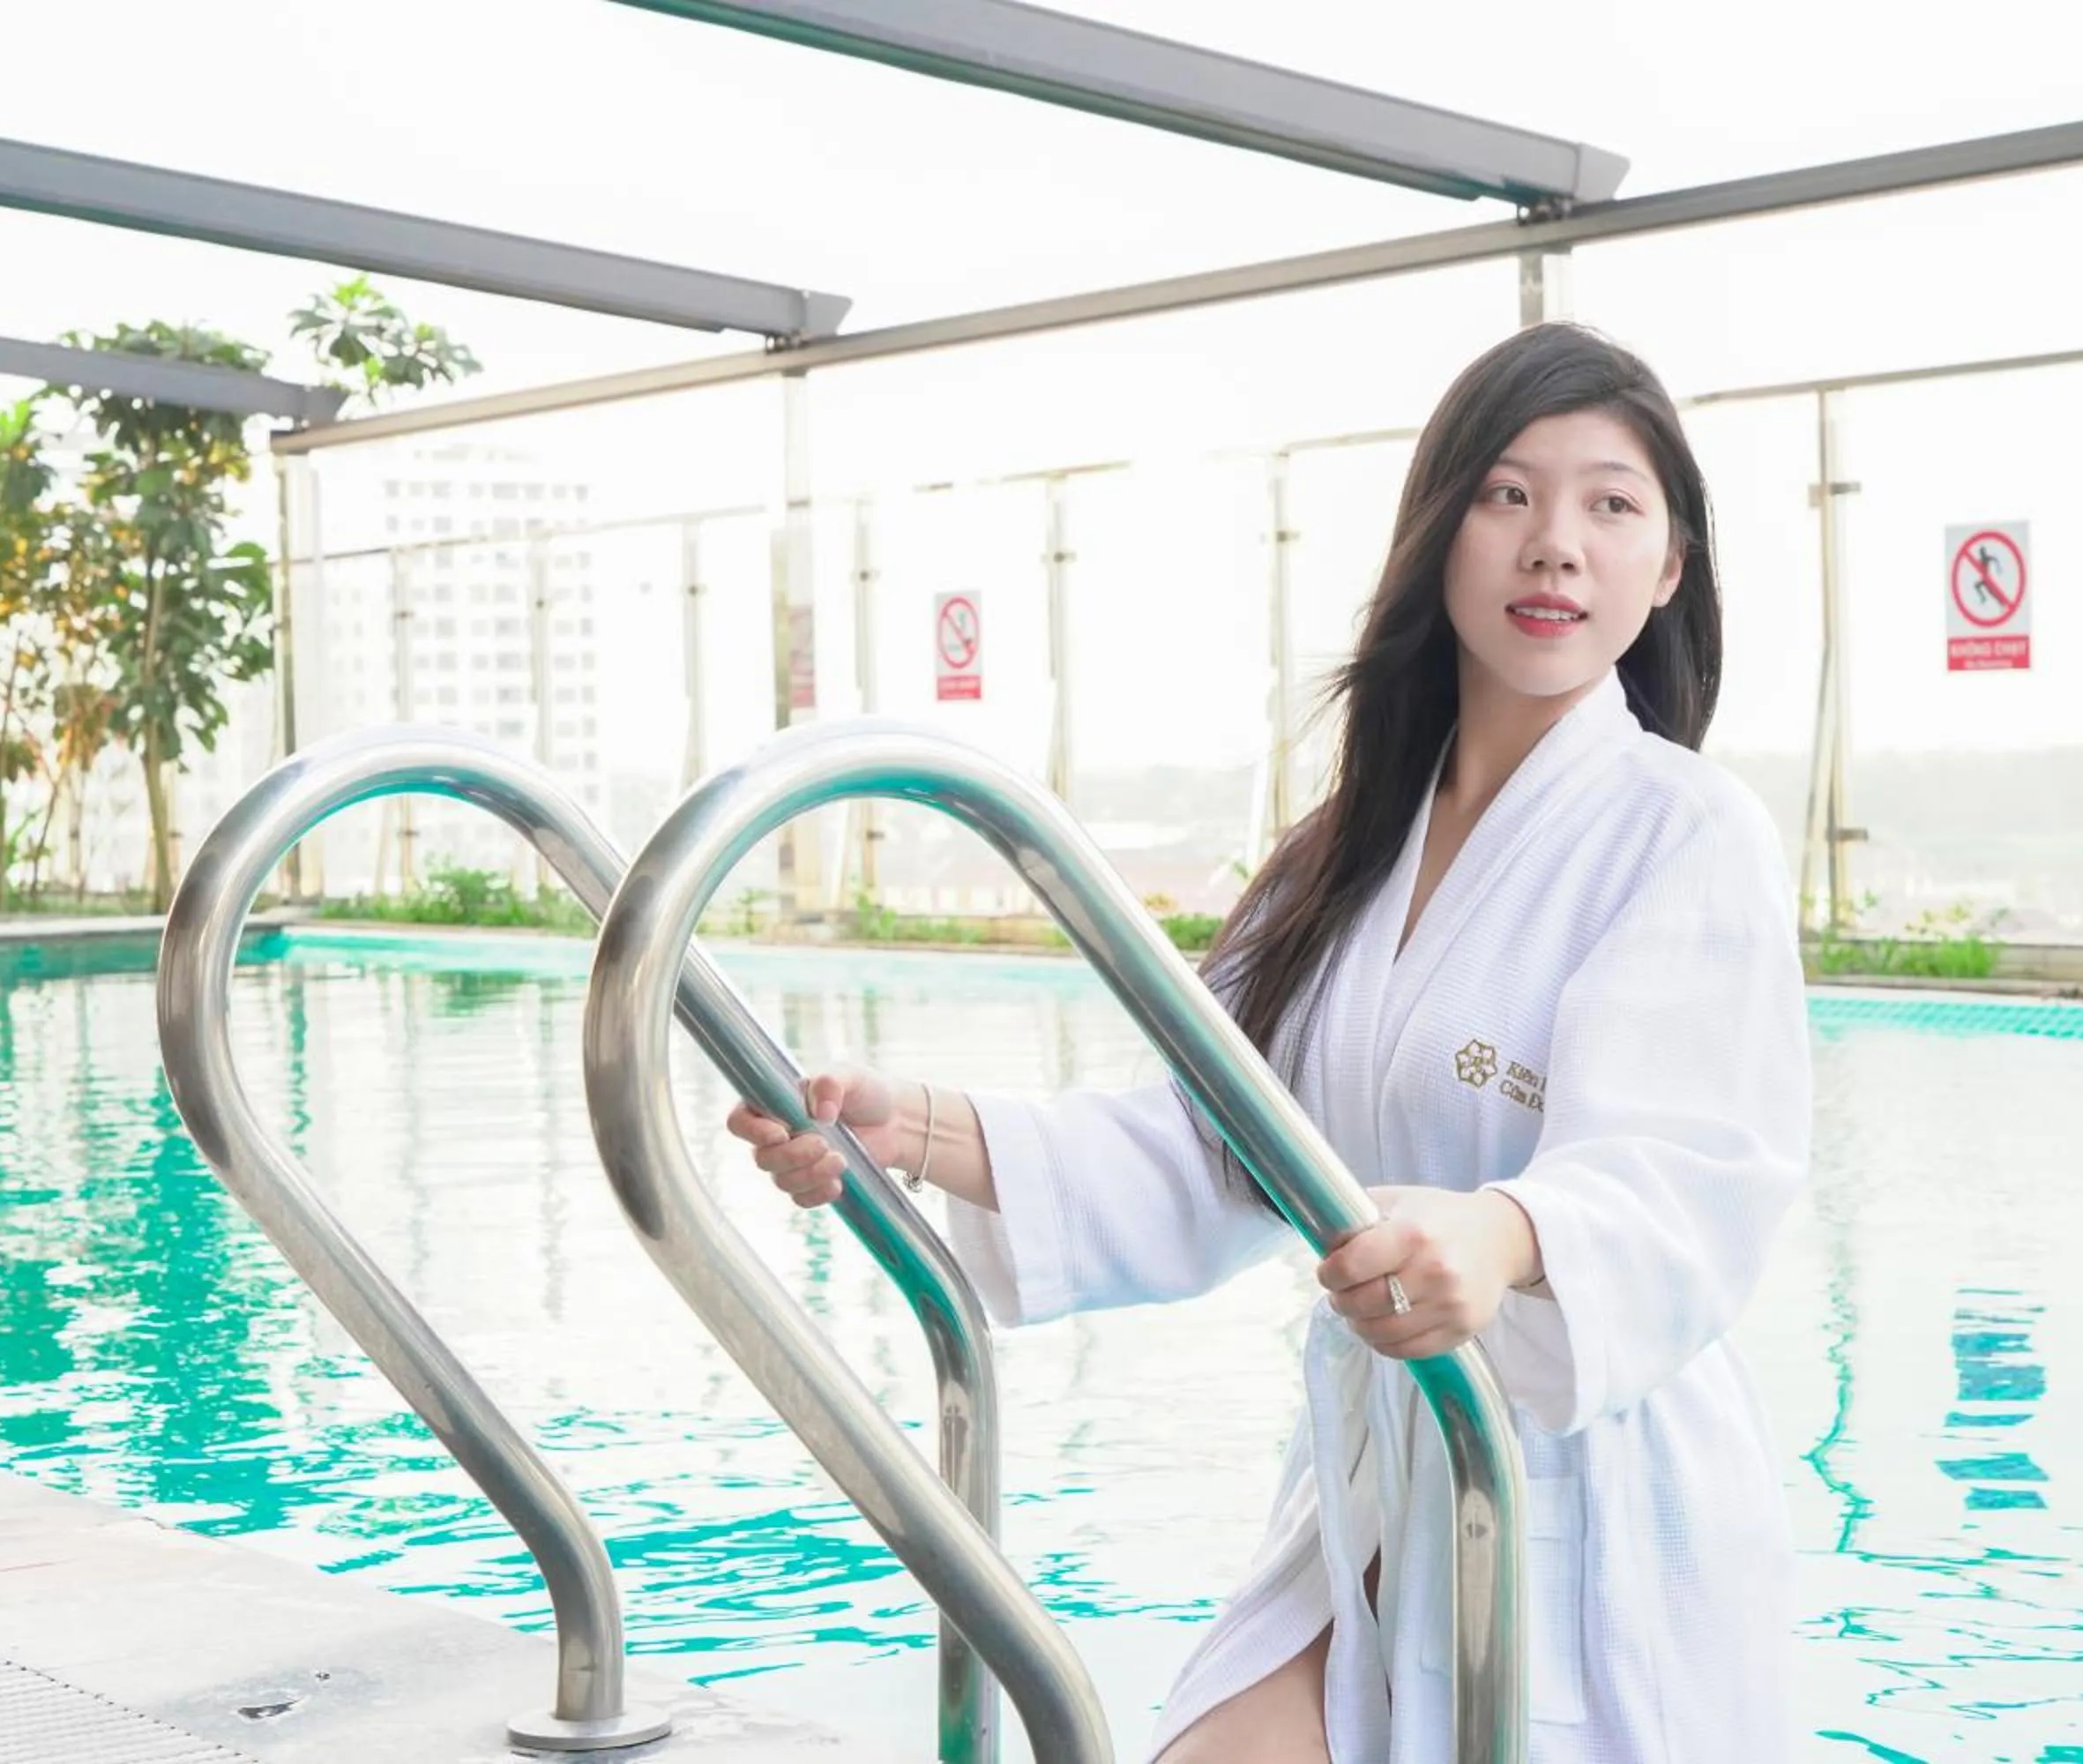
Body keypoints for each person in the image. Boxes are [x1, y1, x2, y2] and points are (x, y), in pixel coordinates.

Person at [728, 323, 1812, 1763]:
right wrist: (910, 1127)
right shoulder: (1342, 850)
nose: (1557, 543)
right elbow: (1215, 1141)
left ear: (1669, 567)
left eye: (1612, 504)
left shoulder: (1683, 832)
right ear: (1439, 531)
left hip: (1592, 1501)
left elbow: (1690, 1170)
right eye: (1508, 494)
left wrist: (1501, 1238)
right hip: (1373, 1488)